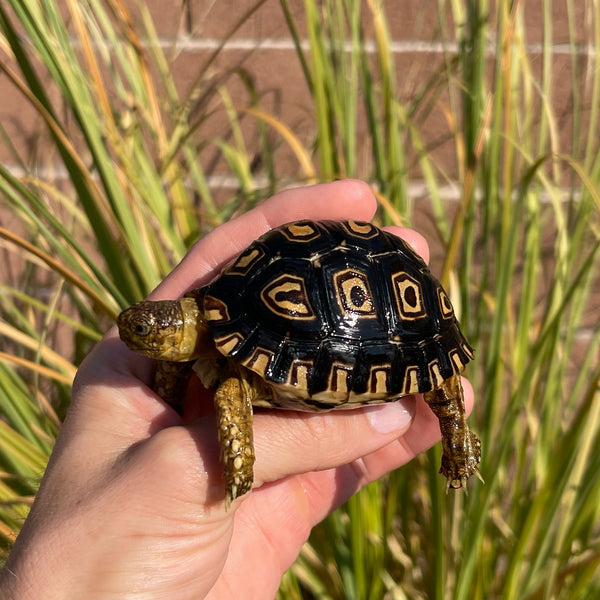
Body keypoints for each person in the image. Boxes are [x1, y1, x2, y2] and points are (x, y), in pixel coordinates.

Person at [0, 180, 473, 599]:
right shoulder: (217, 332)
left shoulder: (229, 362)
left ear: (176, 333)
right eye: (142, 331)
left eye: (148, 335)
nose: (139, 341)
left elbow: (231, 391)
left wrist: (237, 463)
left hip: (381, 317)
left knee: (442, 392)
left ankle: (456, 436)